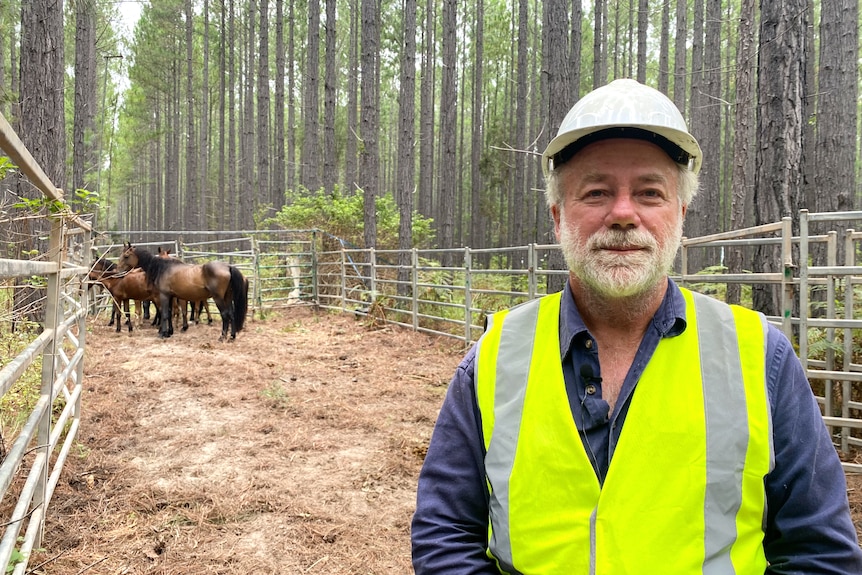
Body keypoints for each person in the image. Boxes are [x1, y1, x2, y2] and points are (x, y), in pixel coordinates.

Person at [411, 78, 862, 574]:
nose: (623, 213)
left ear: (680, 214)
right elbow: (445, 535)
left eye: (649, 192)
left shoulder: (761, 360)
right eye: (596, 191)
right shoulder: (494, 359)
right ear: (558, 217)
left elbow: (820, 554)